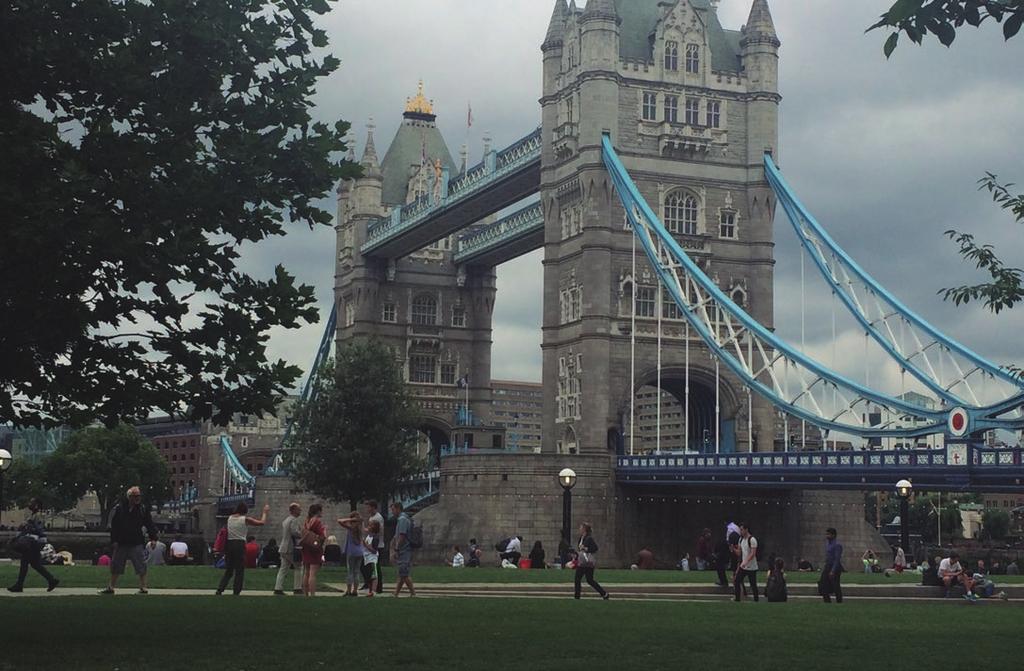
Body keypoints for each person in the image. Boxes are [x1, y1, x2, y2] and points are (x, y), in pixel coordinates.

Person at [100, 486, 159, 595]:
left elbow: (149, 524)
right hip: (121, 542)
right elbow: (115, 526)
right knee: (116, 565)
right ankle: (111, 587)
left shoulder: (142, 509)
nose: (138, 498)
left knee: (141, 565)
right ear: (129, 497)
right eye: (135, 496)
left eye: (139, 496)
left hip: (136, 541)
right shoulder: (120, 509)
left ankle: (143, 587)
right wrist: (114, 541)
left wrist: (153, 538)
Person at [214, 502, 269, 595]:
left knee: (229, 570)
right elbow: (261, 523)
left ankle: (220, 589)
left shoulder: (230, 518)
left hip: (229, 544)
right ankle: (236, 591)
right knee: (239, 569)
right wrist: (265, 512)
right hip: (239, 544)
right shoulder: (245, 519)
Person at [6, 498, 59, 593]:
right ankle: (51, 580)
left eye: (31, 502)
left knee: (24, 562)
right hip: (34, 542)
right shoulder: (34, 515)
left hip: (34, 543)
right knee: (35, 564)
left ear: (36, 505)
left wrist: (28, 525)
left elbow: (38, 530)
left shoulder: (38, 516)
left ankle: (19, 585)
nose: (29, 504)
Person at [274, 502, 304, 596]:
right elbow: (294, 532)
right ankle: (297, 588)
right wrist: (303, 534)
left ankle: (278, 588)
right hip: (290, 548)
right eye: (299, 509)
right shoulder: (294, 520)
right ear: (294, 510)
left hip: (283, 547)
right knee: (298, 566)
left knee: (283, 568)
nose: (300, 511)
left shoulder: (286, 520)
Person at [574, 522, 609, 600]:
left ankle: (577, 597)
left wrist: (586, 549)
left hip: (586, 562)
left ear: (584, 529)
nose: (579, 529)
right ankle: (604, 593)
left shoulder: (589, 538)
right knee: (589, 580)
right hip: (583, 561)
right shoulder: (581, 538)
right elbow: (580, 550)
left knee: (578, 579)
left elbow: (595, 548)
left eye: (580, 528)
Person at [301, 503, 327, 597]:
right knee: (313, 573)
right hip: (315, 547)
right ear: (318, 511)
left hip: (306, 546)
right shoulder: (317, 522)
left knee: (306, 572)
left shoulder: (306, 521)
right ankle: (312, 594)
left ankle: (305, 594)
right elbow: (322, 535)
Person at [391, 501, 416, 597]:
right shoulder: (405, 518)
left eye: (393, 510)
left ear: (398, 509)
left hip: (404, 549)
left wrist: (396, 548)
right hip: (405, 549)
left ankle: (413, 593)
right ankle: (396, 593)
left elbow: (402, 535)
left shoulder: (402, 520)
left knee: (404, 573)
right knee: (402, 573)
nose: (392, 512)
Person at [338, 511, 364, 596]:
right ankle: (355, 590)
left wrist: (350, 519)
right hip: (360, 552)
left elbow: (340, 521)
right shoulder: (360, 528)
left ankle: (349, 590)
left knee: (350, 571)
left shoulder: (351, 528)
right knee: (356, 571)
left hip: (351, 552)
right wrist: (357, 519)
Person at [364, 500, 385, 594]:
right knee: (369, 567)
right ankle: (371, 584)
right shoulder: (371, 517)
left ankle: (377, 587)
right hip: (371, 543)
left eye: (368, 507)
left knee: (376, 568)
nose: (367, 509)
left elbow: (378, 530)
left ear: (373, 507)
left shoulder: (378, 517)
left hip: (377, 545)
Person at [733, 523, 759, 602]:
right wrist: (733, 549)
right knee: (737, 581)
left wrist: (746, 561)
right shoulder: (740, 540)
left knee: (753, 584)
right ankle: (737, 599)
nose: (741, 531)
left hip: (751, 567)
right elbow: (740, 553)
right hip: (743, 566)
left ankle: (756, 599)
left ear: (746, 529)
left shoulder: (752, 539)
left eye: (742, 529)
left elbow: (753, 553)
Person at [819, 527, 844, 604]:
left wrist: (832, 571)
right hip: (828, 566)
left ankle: (839, 601)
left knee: (835, 585)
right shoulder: (828, 544)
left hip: (834, 567)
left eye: (828, 534)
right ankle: (827, 601)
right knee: (822, 584)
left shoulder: (837, 545)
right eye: (826, 534)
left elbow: (837, 559)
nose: (827, 536)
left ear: (833, 535)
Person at [361, 520, 381, 597]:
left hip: (372, 558)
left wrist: (366, 545)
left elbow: (374, 550)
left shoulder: (375, 537)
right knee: (368, 574)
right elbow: (364, 529)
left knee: (374, 575)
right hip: (366, 557)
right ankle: (370, 589)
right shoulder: (369, 535)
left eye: (370, 525)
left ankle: (373, 591)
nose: (368, 527)